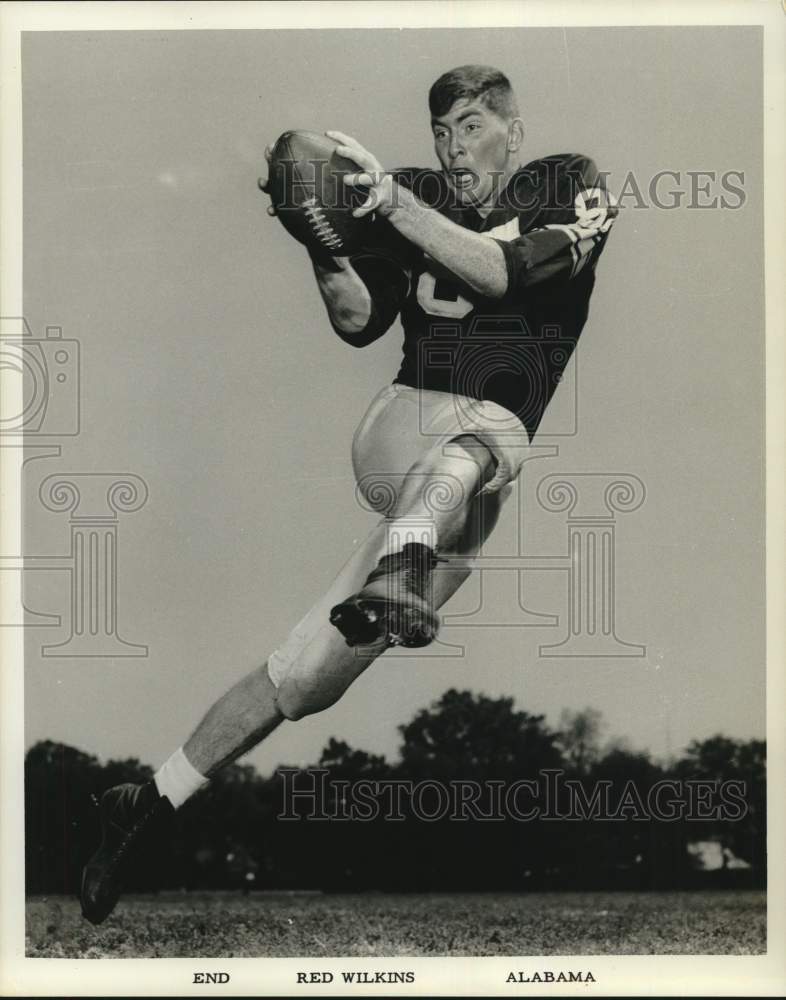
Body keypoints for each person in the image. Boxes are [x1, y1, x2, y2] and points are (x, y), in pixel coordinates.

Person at [80, 64, 616, 924]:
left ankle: (147, 800)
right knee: (493, 440)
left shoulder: (568, 182)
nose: (455, 146)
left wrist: (394, 210)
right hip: (407, 425)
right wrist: (320, 241)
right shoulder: (405, 192)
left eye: (473, 126)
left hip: (450, 490)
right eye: (442, 131)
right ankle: (400, 571)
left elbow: (504, 274)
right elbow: (358, 320)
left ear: (513, 130)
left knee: (309, 677)